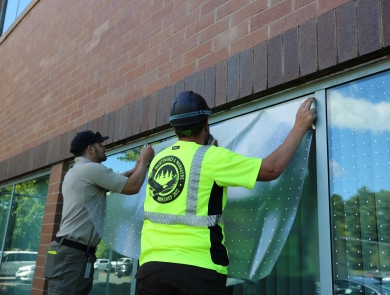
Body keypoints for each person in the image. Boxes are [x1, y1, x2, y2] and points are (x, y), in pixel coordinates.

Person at [135, 91, 316, 295]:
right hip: (197, 271)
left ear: (175, 130)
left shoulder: (159, 160)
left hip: (150, 271)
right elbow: (272, 168)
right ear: (206, 124)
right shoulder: (212, 157)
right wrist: (300, 127)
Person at [44, 130, 154, 295]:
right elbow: (132, 187)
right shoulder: (91, 169)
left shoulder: (77, 171)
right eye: (100, 144)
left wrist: (136, 167)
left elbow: (116, 180)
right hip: (73, 254)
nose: (104, 147)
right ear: (90, 149)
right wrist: (145, 159)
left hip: (73, 251)